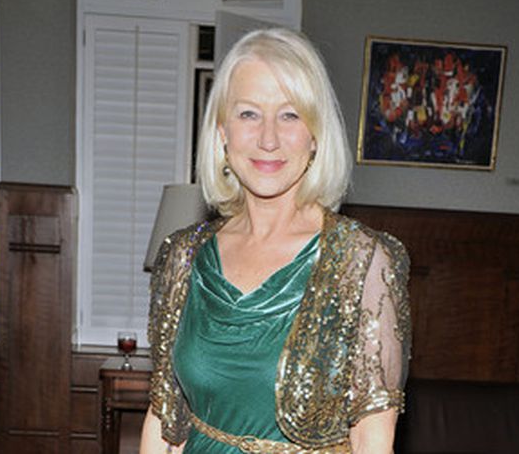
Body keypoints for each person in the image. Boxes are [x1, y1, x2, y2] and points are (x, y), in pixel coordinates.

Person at [140, 28, 411, 454]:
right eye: (249, 114)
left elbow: (372, 438)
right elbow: (163, 419)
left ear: (315, 135)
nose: (268, 139)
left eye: (290, 115)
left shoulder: (360, 262)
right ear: (222, 132)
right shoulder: (182, 257)